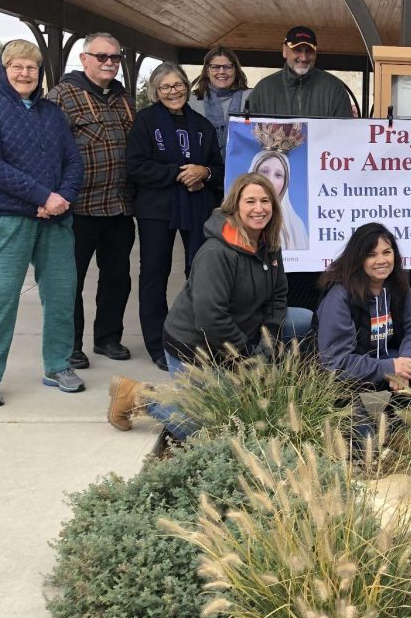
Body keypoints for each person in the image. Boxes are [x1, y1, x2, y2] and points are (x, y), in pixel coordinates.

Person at [107, 173, 288, 437]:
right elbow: (210, 318)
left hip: (236, 341)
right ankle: (139, 396)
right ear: (235, 206)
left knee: (301, 319)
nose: (259, 209)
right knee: (208, 430)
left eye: (265, 201)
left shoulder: (268, 245)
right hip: (194, 348)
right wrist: (247, 357)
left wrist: (268, 341)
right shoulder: (216, 253)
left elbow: (278, 296)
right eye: (250, 201)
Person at [0, 40, 85, 406]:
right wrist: (41, 196)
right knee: (0, 297)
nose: (24, 73)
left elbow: (73, 162)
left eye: (31, 67)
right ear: (4, 69)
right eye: (16, 66)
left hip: (54, 219)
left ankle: (58, 365)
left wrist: (59, 198)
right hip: (5, 219)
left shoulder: (52, 113)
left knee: (62, 294)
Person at [126, 62, 224, 370]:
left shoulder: (202, 125)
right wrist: (180, 173)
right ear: (156, 91)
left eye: (178, 85)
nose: (173, 91)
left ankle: (194, 339)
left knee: (199, 273)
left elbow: (219, 169)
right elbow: (137, 166)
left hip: (197, 206)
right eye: (166, 87)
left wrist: (204, 172)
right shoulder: (145, 122)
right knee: (155, 273)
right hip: (157, 208)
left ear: (187, 86)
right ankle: (157, 344)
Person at [48, 32, 136, 370]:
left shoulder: (125, 99)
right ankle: (71, 345)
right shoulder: (62, 97)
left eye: (115, 58)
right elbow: (50, 151)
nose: (109, 63)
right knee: (70, 281)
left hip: (118, 208)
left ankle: (108, 338)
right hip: (78, 210)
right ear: (84, 59)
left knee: (117, 277)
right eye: (102, 57)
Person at [315, 223, 411, 437]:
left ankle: (403, 430)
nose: (382, 260)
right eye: (372, 255)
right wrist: (388, 368)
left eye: (387, 252)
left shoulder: (397, 286)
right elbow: (336, 362)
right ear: (358, 260)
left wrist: (404, 363)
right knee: (364, 446)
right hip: (352, 376)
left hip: (390, 360)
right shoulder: (340, 296)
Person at [242, 26, 353, 118]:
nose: (304, 57)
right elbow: (247, 134)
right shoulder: (264, 89)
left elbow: (345, 134)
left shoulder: (334, 88)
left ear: (315, 53)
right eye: (297, 50)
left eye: (309, 51)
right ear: (284, 50)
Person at [249, 121, 308, 249]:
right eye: (264, 171)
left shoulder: (297, 226)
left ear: (285, 181)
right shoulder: (238, 218)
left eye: (278, 175)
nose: (269, 180)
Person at [187, 44, 251, 155]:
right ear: (207, 71)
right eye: (215, 67)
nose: (221, 71)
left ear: (235, 70)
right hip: (202, 167)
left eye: (227, 67)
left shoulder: (251, 97)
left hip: (242, 165)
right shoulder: (191, 101)